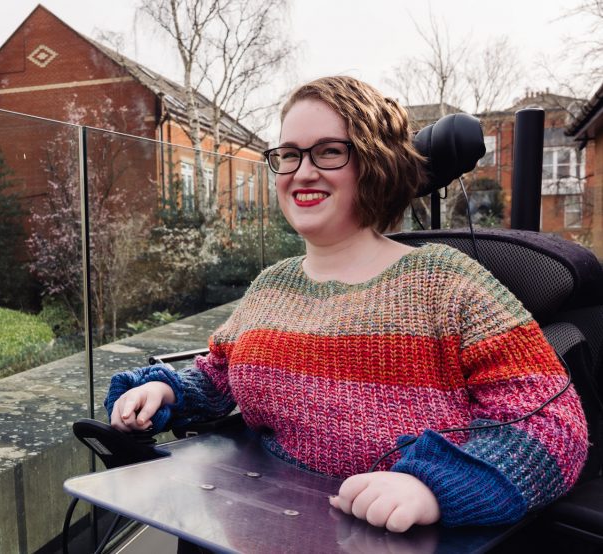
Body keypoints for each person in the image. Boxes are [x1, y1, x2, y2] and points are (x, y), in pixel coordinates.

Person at [106, 76, 588, 534]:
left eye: (329, 152)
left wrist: (432, 487)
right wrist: (167, 392)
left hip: (388, 538)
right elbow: (219, 374)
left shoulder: (446, 283)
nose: (302, 171)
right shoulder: (272, 285)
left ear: (375, 164)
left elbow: (553, 426)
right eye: (289, 154)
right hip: (258, 521)